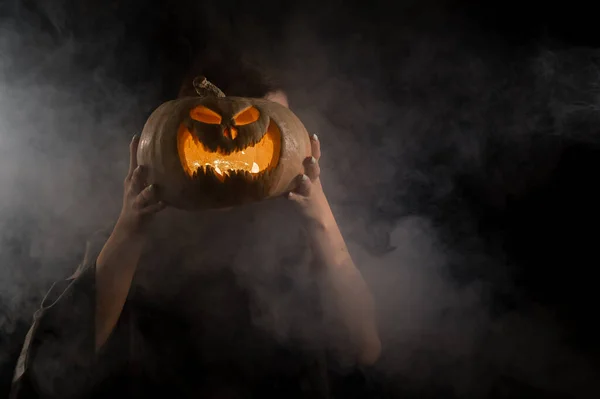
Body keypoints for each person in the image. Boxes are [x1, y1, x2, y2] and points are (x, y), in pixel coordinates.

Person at [9, 59, 381, 399]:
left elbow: (365, 346)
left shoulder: (297, 237)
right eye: (210, 123)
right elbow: (58, 362)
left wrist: (320, 216)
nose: (241, 140)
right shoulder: (141, 235)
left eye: (278, 125)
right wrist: (131, 227)